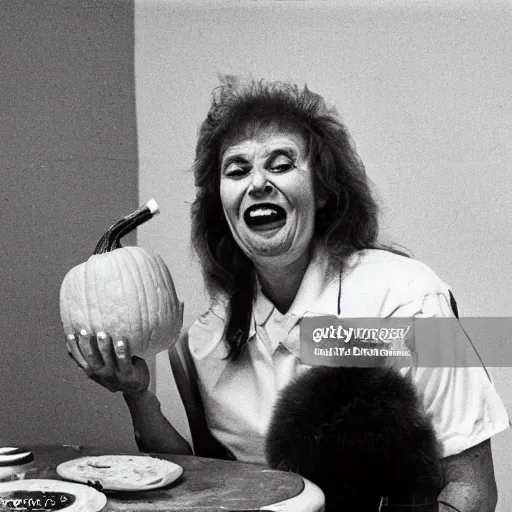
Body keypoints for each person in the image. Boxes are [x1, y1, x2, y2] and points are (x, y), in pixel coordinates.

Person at [67, 78, 509, 511]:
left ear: (322, 192)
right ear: (223, 208)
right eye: (237, 170)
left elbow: (472, 490)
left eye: (281, 164)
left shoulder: (412, 302)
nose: (258, 182)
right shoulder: (206, 342)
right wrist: (138, 395)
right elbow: (210, 482)